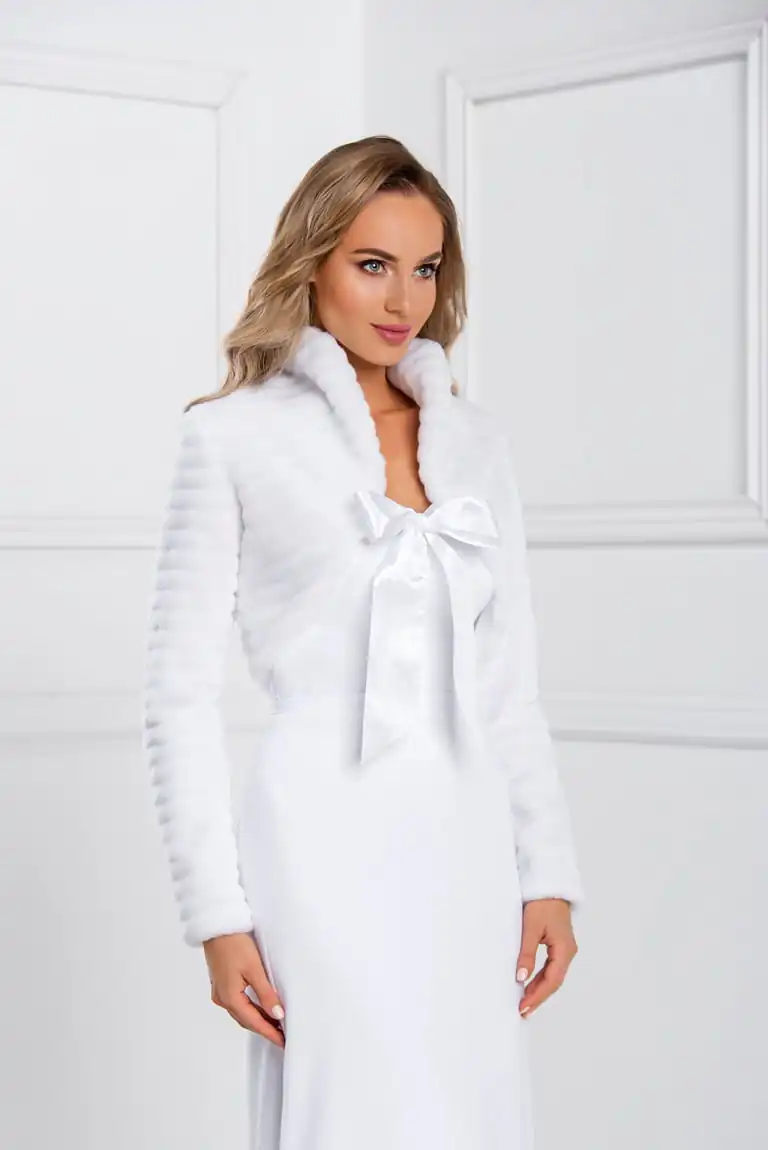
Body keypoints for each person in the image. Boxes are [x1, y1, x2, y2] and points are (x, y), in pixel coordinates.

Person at [141, 134, 585, 1150]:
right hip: (317, 841)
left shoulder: (477, 443)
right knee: (343, 1112)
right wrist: (216, 914)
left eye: (425, 268)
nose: (403, 299)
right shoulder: (233, 436)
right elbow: (177, 695)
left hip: (465, 841)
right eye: (373, 263)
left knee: (468, 1112)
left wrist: (547, 875)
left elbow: (509, 686)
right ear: (312, 263)